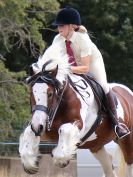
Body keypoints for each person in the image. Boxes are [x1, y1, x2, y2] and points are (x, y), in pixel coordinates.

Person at [50, 6, 130, 139]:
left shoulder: (83, 39)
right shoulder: (57, 40)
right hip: (70, 65)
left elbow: (85, 68)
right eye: (58, 25)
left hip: (91, 63)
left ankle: (116, 123)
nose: (59, 28)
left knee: (103, 86)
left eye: (62, 25)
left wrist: (65, 68)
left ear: (71, 26)